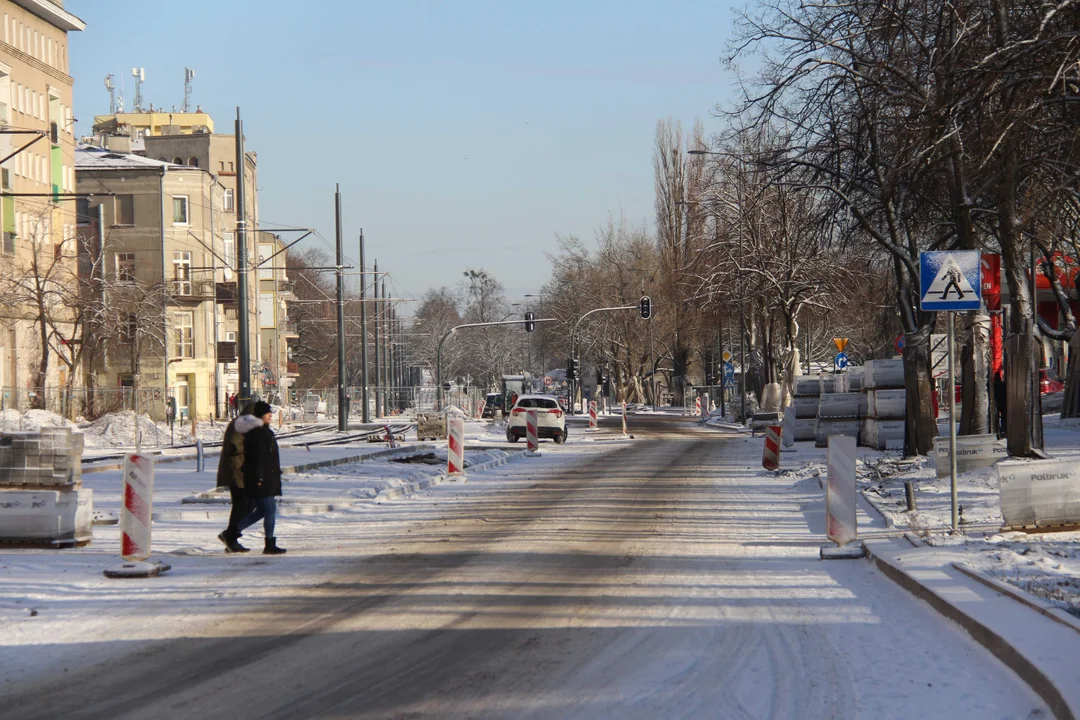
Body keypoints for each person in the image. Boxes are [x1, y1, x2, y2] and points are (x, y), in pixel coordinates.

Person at [234, 401, 286, 555]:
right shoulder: (259, 433)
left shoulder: (261, 431)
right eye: (267, 413)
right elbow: (258, 458)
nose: (270, 415)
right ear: (260, 415)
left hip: (264, 477)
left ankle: (232, 532)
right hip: (262, 479)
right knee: (269, 510)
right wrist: (260, 477)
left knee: (262, 511)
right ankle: (269, 544)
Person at [216, 403, 259, 553]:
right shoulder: (241, 424)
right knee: (244, 504)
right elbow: (234, 445)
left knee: (246, 504)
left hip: (239, 471)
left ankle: (230, 535)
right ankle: (230, 537)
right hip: (236, 471)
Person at [993, 369, 1008, 438]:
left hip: (997, 404)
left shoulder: (994, 386)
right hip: (1003, 404)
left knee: (996, 418)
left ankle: (997, 429)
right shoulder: (1003, 385)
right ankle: (1003, 429)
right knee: (1003, 417)